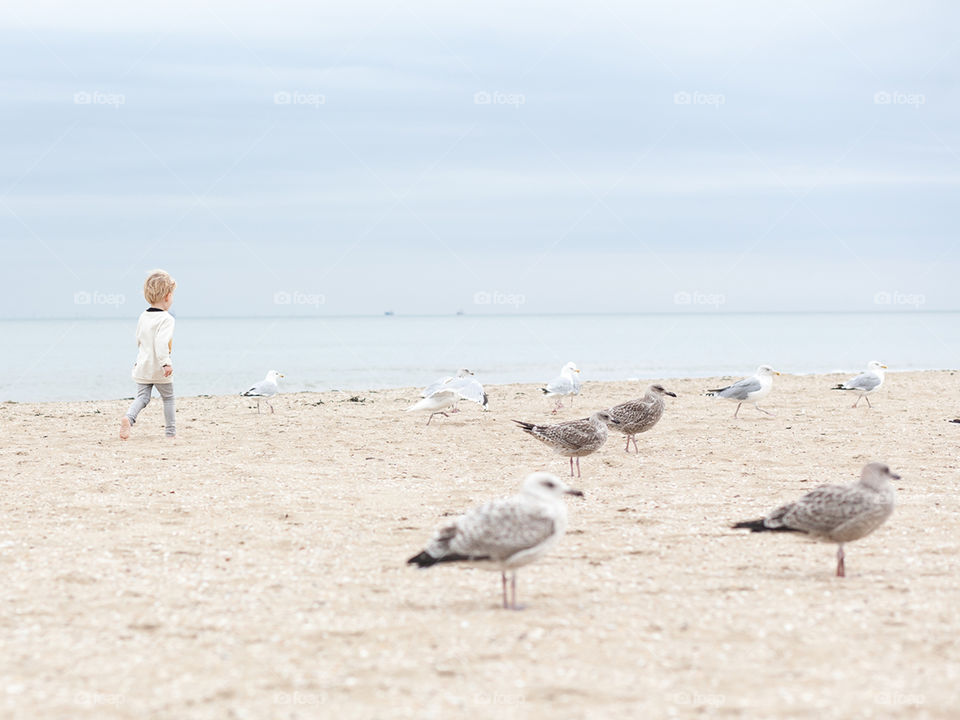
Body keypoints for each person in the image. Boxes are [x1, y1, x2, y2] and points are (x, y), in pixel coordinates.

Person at [120, 270, 177, 440]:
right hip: (159, 367)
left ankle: (129, 419)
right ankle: (170, 432)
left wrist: (139, 360)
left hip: (142, 365)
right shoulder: (167, 319)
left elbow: (139, 339)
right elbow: (161, 343)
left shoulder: (143, 317)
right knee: (168, 398)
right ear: (167, 296)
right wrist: (165, 363)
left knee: (143, 397)